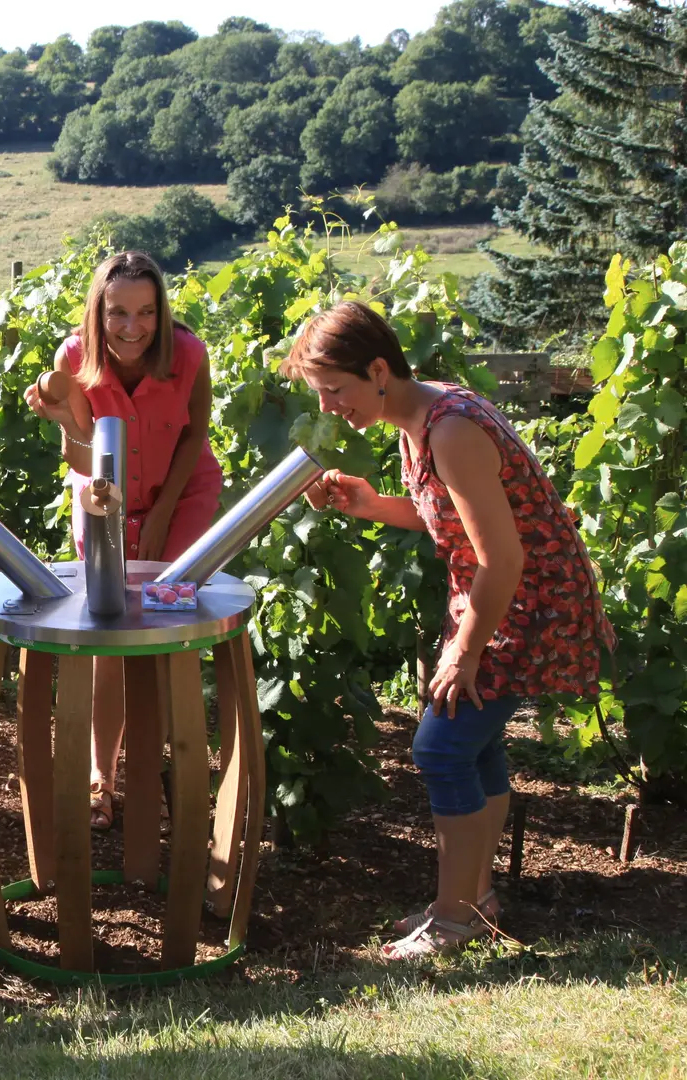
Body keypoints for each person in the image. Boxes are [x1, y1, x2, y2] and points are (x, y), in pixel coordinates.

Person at [287, 301, 610, 958]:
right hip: (502, 595)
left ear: (378, 369)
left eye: (335, 390)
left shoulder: (451, 431)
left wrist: (465, 653)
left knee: (440, 747)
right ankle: (476, 900)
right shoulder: (420, 419)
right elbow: (452, 520)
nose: (329, 408)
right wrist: (372, 504)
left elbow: (504, 558)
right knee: (475, 747)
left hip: (526, 600)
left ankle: (454, 919)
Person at [24, 251, 223, 830]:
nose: (132, 328)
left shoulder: (188, 354)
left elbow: (194, 439)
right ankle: (100, 780)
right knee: (108, 629)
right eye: (117, 313)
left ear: (161, 312)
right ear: (98, 311)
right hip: (102, 498)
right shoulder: (73, 360)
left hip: (182, 499)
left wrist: (160, 518)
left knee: (163, 634)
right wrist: (65, 420)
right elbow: (82, 455)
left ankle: (157, 774)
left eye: (145, 312)